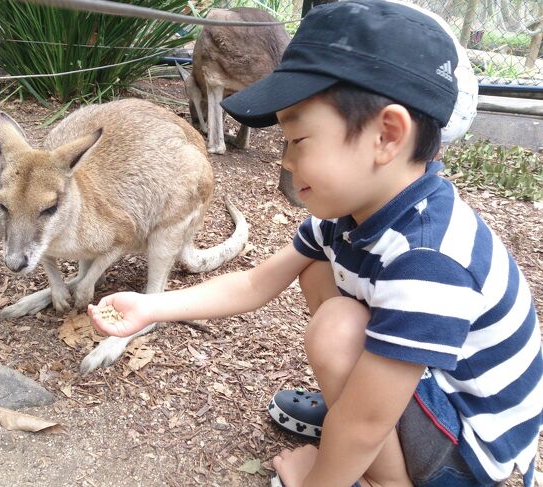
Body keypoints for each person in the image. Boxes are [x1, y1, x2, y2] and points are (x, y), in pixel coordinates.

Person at [88, 2, 543, 486]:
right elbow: (254, 283)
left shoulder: (427, 257)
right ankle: (362, 421)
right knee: (316, 270)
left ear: (387, 135)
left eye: (298, 140)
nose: (286, 163)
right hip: (437, 405)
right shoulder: (357, 213)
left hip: (467, 457)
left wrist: (319, 477)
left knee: (339, 330)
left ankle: (385, 478)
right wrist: (151, 306)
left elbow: (368, 424)